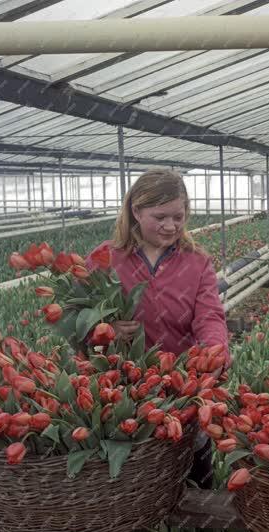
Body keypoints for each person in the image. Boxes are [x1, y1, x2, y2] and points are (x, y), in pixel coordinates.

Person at [86, 168, 229, 489]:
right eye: (160, 217)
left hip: (180, 382)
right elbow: (75, 316)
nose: (171, 226)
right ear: (136, 211)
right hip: (120, 383)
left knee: (191, 462)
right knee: (130, 467)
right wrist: (102, 327)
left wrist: (214, 353)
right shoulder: (106, 258)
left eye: (179, 217)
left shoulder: (196, 262)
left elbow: (210, 317)